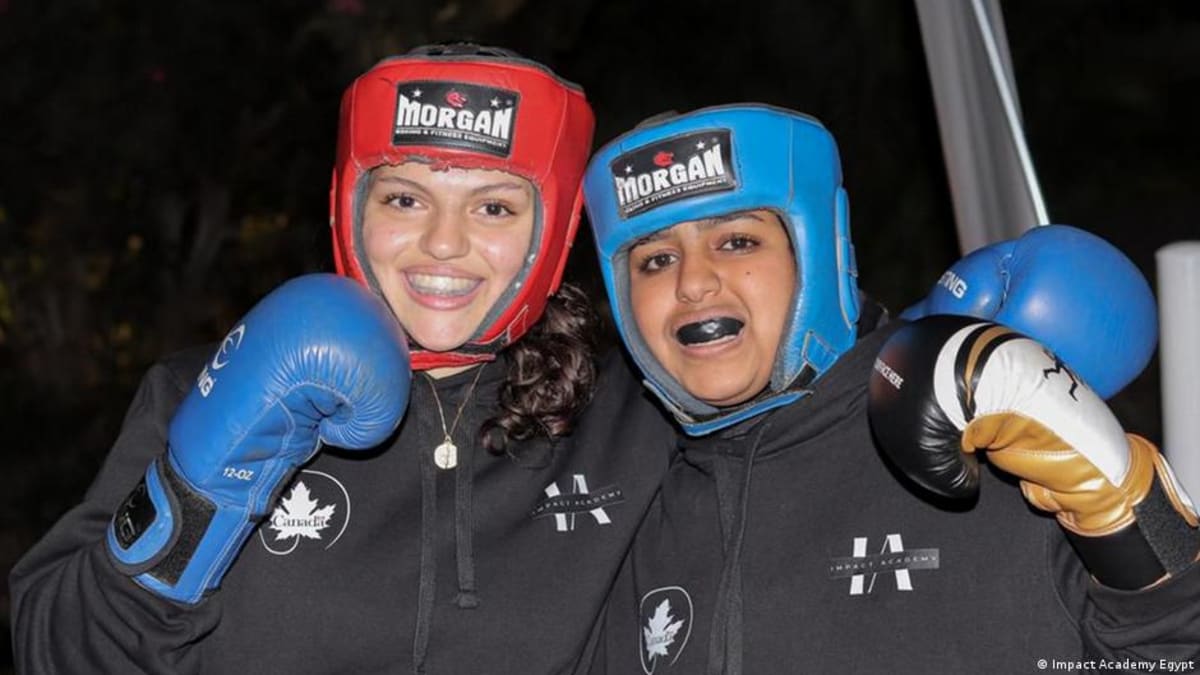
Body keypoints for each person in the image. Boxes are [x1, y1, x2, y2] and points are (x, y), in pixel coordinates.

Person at [10, 44, 676, 675]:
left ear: (554, 230)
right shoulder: (202, 386)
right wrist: (197, 499)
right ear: (348, 207)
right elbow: (57, 653)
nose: (444, 242)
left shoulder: (632, 417)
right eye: (406, 198)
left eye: (494, 206)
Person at [579, 103, 1200, 673]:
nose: (693, 283)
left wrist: (1136, 516)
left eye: (737, 240)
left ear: (818, 252)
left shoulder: (984, 427)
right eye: (654, 260)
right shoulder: (617, 503)